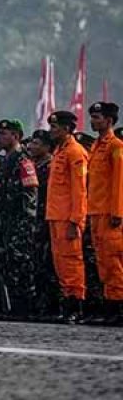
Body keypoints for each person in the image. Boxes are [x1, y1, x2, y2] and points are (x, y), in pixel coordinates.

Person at [46, 111, 89, 324]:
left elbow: (79, 190)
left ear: (67, 129)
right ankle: (66, 304)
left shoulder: (75, 152)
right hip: (55, 215)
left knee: (72, 263)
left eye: (55, 127)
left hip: (68, 218)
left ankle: (76, 306)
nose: (52, 131)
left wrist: (76, 220)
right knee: (60, 263)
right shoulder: (59, 152)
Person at [0, 119, 39, 317]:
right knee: (9, 265)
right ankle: (15, 307)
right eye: (0, 134)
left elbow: (30, 192)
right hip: (7, 222)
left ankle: (25, 307)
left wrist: (25, 222)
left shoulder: (23, 160)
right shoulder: (6, 160)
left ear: (16, 136)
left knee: (21, 264)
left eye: (5, 134)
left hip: (20, 222)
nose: (0, 138)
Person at [87, 101, 123, 325]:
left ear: (109, 121)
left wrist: (117, 212)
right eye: (92, 117)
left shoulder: (116, 146)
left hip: (110, 213)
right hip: (95, 210)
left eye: (97, 117)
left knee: (113, 262)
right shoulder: (96, 146)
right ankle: (109, 306)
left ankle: (118, 308)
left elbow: (120, 181)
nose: (93, 121)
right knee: (102, 261)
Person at [28, 129, 59, 316]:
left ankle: (52, 306)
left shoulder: (51, 166)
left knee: (48, 265)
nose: (31, 146)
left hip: (47, 220)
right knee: (36, 264)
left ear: (47, 147)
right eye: (31, 142)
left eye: (36, 143)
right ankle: (40, 305)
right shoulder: (33, 165)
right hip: (34, 221)